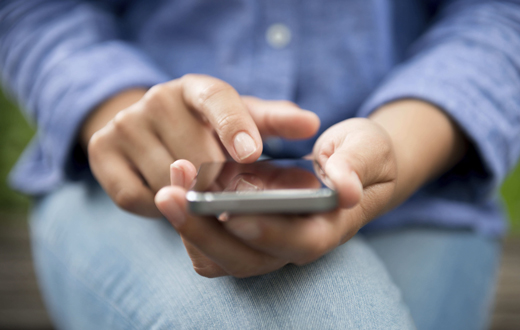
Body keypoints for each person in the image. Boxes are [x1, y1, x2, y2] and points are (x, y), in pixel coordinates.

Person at [1, 0, 519, 329]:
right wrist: (127, 115)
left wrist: (395, 148)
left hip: (419, 191)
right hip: (127, 190)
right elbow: (36, 12)